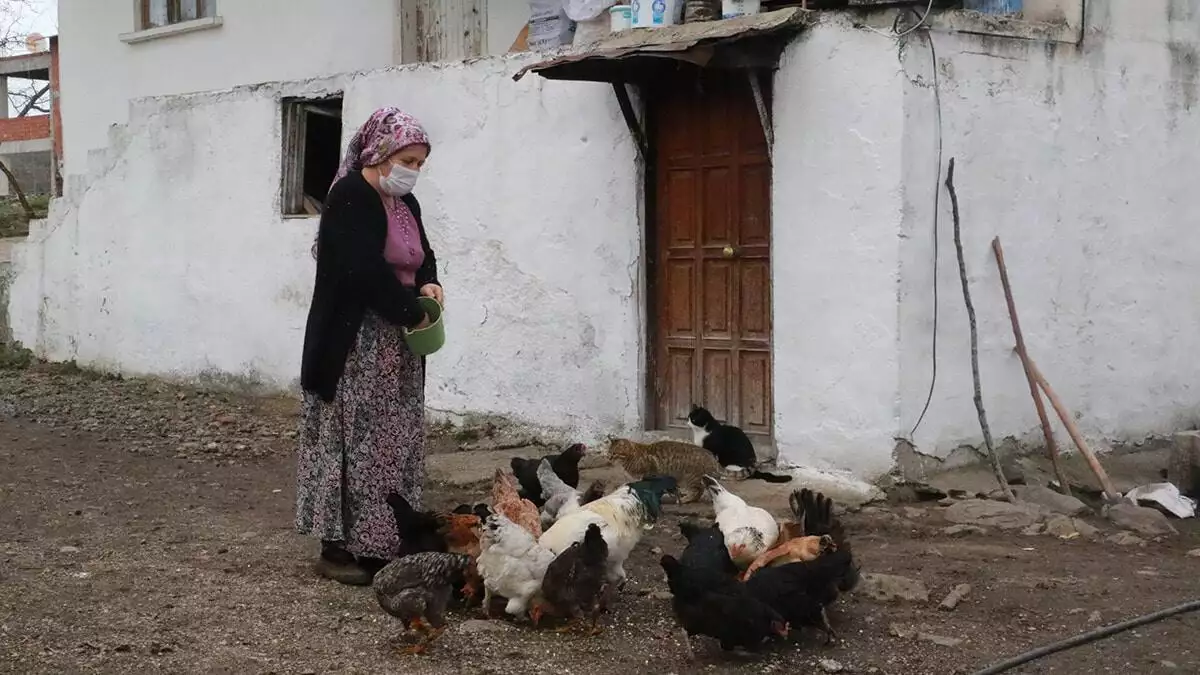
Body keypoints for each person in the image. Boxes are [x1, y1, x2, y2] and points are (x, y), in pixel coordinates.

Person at [294, 107, 444, 585]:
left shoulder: (405, 204)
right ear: (381, 152)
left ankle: (386, 541)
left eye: (420, 163)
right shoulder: (350, 196)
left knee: (392, 443)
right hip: (355, 343)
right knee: (354, 441)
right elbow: (359, 271)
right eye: (408, 160)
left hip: (398, 344)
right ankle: (338, 549)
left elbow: (423, 254)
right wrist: (408, 308)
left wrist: (429, 284)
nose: (413, 171)